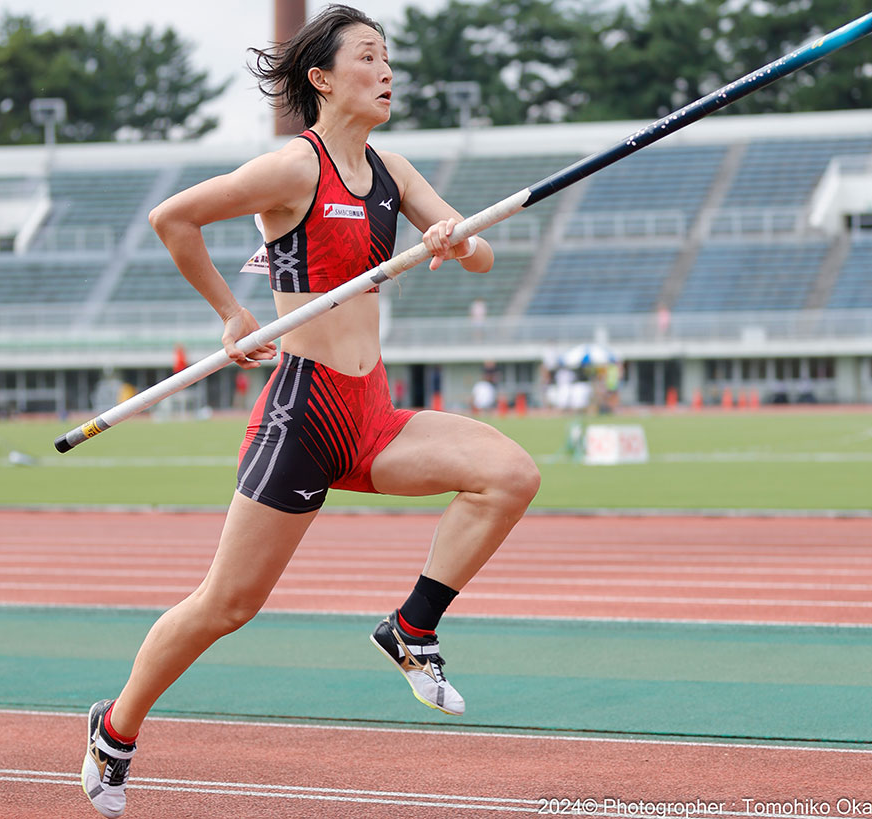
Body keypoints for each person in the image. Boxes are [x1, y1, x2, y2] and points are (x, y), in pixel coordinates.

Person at [80, 6, 541, 817]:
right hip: (303, 417)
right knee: (226, 605)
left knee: (508, 473)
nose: (387, 71)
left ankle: (411, 627)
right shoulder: (295, 169)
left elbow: (483, 255)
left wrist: (456, 240)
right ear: (323, 78)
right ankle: (115, 728)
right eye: (369, 57)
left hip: (374, 412)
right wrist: (229, 313)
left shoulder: (394, 171)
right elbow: (172, 218)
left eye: (389, 58)